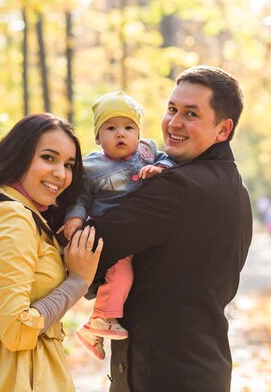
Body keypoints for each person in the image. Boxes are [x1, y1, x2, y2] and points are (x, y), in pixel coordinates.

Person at [87, 66, 253, 392]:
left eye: (191, 114)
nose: (174, 122)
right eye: (172, 109)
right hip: (204, 367)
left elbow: (93, 244)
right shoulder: (236, 189)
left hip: (163, 373)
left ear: (223, 129)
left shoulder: (178, 187)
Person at [0, 113, 103, 392]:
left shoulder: (8, 212)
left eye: (69, 164)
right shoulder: (11, 216)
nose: (61, 174)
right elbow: (16, 330)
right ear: (18, 157)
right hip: (14, 375)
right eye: (48, 158)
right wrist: (78, 281)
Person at [58, 90, 174, 360]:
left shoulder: (148, 152)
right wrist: (73, 220)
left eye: (128, 128)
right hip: (111, 232)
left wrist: (161, 169)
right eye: (111, 128)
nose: (121, 134)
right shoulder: (91, 166)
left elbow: (168, 159)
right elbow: (81, 197)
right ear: (98, 137)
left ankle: (94, 329)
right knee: (121, 273)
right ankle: (100, 320)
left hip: (140, 231)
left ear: (138, 133)